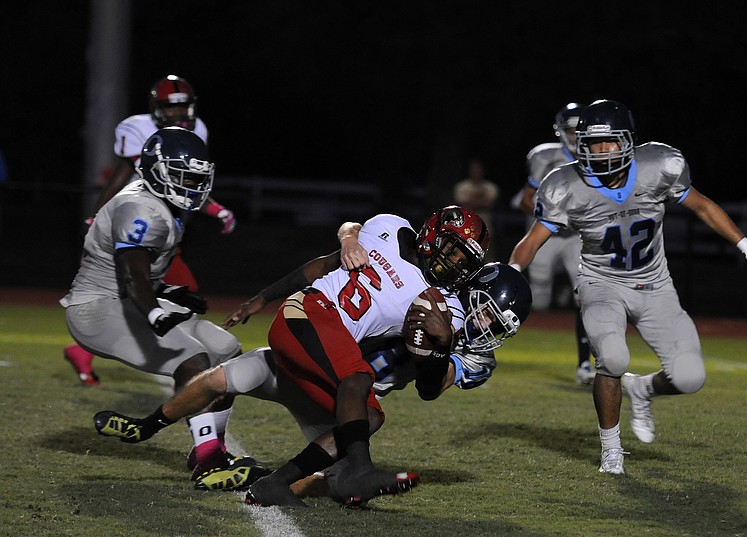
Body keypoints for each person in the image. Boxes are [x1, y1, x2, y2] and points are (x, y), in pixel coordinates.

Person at [96, 206, 490, 505]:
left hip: (323, 350)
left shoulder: (441, 302)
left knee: (370, 414)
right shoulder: (389, 227)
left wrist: (438, 346)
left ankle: (274, 484)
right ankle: (360, 471)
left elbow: (426, 378)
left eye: (462, 260)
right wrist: (266, 295)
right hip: (309, 312)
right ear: (431, 235)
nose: (453, 263)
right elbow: (320, 265)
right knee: (356, 379)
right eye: (452, 251)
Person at [509, 99, 747, 475]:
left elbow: (701, 206)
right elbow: (534, 239)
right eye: (592, 143)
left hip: (655, 284)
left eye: (610, 142)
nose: (601, 151)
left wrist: (745, 245)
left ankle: (642, 389)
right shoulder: (566, 183)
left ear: (629, 142)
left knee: (689, 378)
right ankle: (611, 449)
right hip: (600, 282)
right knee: (614, 357)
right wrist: (511, 270)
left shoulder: (658, 166)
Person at [63, 127, 247, 480]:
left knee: (227, 351)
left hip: (125, 298)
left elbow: (141, 273)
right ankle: (209, 461)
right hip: (98, 309)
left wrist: (170, 293)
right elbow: (133, 276)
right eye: (182, 176)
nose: (190, 186)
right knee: (194, 361)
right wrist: (155, 311)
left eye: (195, 178)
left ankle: (209, 447)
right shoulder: (140, 208)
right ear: (155, 170)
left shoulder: (157, 201)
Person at [63, 74, 237, 386]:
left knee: (157, 289)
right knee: (145, 283)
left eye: (183, 106)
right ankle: (178, 361)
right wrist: (97, 216)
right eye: (170, 108)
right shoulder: (136, 128)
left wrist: (215, 208)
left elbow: (188, 181)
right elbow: (122, 175)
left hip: (170, 219)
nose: (178, 114)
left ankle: (86, 349)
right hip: (139, 216)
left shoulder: (198, 129)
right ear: (156, 108)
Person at [510, 102, 596, 385]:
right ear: (561, 131)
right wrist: (549, 217)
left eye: (579, 131)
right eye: (570, 131)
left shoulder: (598, 154)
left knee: (586, 295)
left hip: (575, 236)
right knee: (537, 300)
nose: (575, 137)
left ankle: (585, 363)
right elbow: (525, 199)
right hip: (546, 233)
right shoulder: (544, 157)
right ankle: (482, 347)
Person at [454, 160, 499, 261]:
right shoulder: (461, 187)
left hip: (486, 228)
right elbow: (464, 205)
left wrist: (472, 201)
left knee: (487, 257)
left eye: (478, 170)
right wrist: (481, 200)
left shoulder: (490, 187)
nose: (476, 172)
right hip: (466, 229)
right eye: (474, 170)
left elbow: (489, 204)